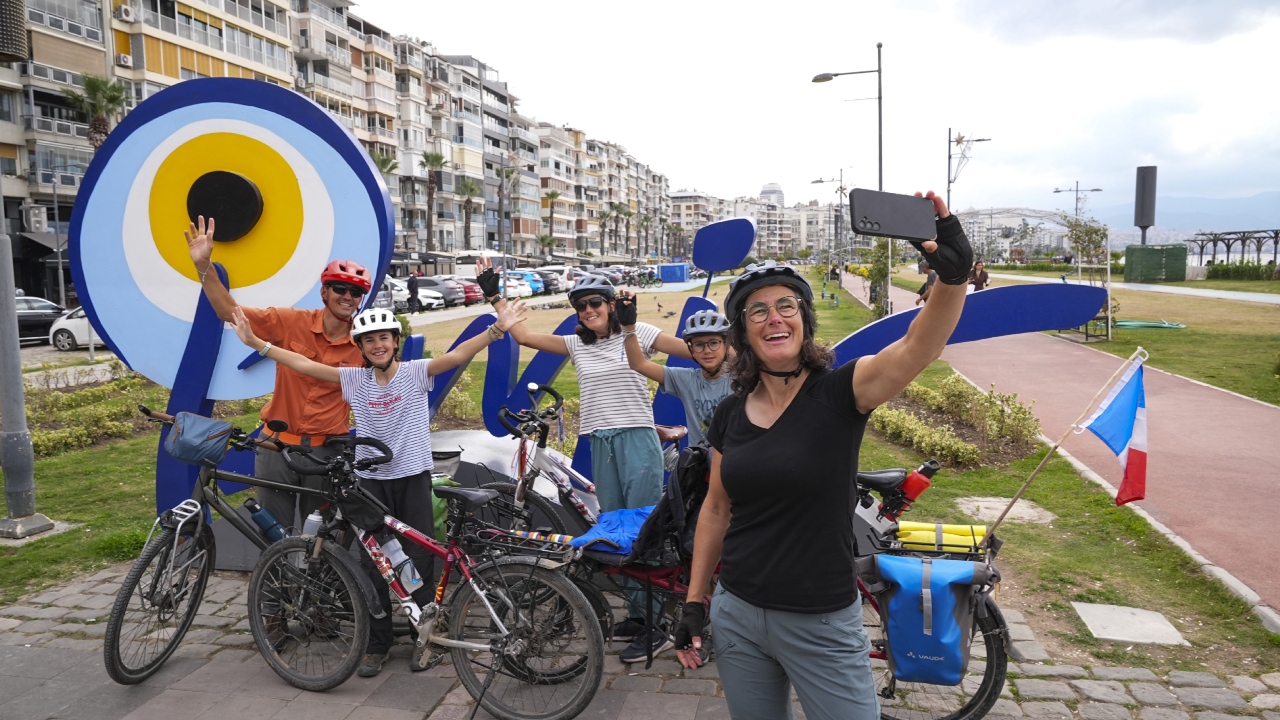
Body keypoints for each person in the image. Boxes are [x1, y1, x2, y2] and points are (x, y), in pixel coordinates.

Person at [672, 191, 972, 720]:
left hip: (821, 619)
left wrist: (952, 280)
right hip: (737, 612)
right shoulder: (731, 415)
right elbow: (717, 509)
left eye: (785, 305)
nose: (773, 318)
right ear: (743, 332)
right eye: (757, 311)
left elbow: (917, 348)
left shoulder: (841, 392)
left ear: (804, 320)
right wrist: (696, 602)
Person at [231, 301, 526, 677]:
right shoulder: (356, 378)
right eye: (369, 341)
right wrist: (258, 343)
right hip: (371, 483)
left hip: (412, 477)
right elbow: (305, 365)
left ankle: (427, 636)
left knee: (418, 559)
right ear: (361, 346)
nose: (377, 346)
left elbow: (456, 356)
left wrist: (495, 331)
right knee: (374, 564)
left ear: (395, 342)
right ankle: (378, 642)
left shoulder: (416, 373)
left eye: (383, 338)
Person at [478, 257, 694, 662]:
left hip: (636, 440)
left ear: (612, 304)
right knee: (615, 530)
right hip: (600, 442)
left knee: (644, 530)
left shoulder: (639, 331)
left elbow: (692, 351)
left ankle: (660, 624)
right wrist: (494, 293)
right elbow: (522, 335)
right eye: (581, 305)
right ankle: (638, 613)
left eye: (596, 302)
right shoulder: (577, 344)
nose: (589, 310)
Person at [185, 215, 367, 531]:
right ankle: (275, 582)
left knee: (321, 539)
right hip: (275, 448)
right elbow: (229, 312)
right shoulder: (290, 322)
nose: (347, 297)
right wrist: (204, 266)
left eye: (355, 292)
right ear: (325, 292)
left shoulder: (365, 344)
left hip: (326, 454)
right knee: (274, 534)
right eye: (340, 288)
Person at [620, 306, 733, 448]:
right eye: (699, 345)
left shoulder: (742, 376)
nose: (707, 351)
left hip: (736, 456)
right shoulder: (687, 380)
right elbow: (638, 364)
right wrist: (628, 328)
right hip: (702, 461)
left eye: (714, 343)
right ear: (691, 350)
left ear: (726, 344)